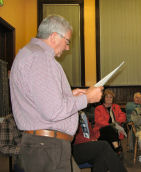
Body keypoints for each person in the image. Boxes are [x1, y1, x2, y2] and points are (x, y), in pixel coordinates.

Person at [10, 15, 103, 172]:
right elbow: (53, 111)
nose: (67, 47)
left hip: (44, 146)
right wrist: (87, 99)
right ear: (54, 36)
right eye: (67, 41)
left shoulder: (29, 54)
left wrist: (70, 95)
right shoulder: (40, 58)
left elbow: (40, 101)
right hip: (47, 147)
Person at [93, 89, 126, 153]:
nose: (109, 98)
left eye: (111, 97)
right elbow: (99, 120)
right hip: (101, 130)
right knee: (110, 128)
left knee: (111, 131)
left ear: (113, 99)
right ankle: (117, 147)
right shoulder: (98, 108)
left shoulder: (116, 107)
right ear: (103, 98)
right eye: (107, 97)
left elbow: (123, 116)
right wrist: (110, 125)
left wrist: (117, 122)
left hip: (114, 130)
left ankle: (115, 148)